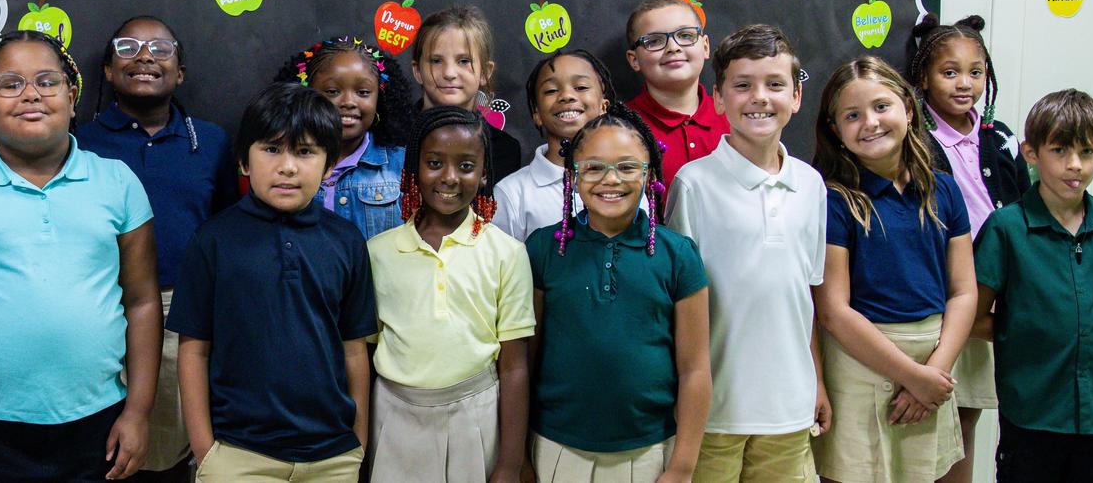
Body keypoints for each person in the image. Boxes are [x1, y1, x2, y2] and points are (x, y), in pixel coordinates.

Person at [0, 31, 160, 482]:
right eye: (10, 84)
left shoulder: (116, 183)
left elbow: (142, 302)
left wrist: (139, 412)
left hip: (99, 422)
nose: (30, 94)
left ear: (71, 95)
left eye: (47, 81)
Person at [169, 83, 377, 482]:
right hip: (239, 454)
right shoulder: (213, 240)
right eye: (271, 149)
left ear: (329, 164)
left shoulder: (346, 241)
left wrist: (358, 443)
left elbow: (354, 350)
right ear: (244, 162)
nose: (288, 167)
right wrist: (204, 449)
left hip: (332, 457)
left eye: (305, 152)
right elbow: (193, 351)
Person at [75, 14, 237, 481]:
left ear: (180, 72)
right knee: (99, 442)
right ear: (106, 70)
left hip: (180, 309)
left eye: (161, 49)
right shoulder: (79, 143)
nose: (144, 56)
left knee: (164, 449)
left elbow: (225, 224)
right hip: (99, 304)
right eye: (127, 47)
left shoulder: (208, 141)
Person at [667, 25, 829, 482]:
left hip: (789, 409)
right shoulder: (693, 184)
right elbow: (680, 306)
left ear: (796, 97)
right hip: (715, 413)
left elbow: (805, 299)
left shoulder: (811, 185)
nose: (760, 97)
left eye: (775, 85)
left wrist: (816, 379)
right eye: (743, 85)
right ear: (718, 98)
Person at [973, 89, 1093, 483]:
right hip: (1032, 415)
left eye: (1087, 152)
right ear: (1031, 153)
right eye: (1059, 151)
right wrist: (1020, 332)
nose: (1075, 166)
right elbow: (971, 318)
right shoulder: (1008, 228)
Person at [525, 105, 710, 482]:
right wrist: (519, 453)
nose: (611, 180)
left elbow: (695, 370)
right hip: (558, 447)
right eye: (593, 167)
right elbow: (524, 361)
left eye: (627, 167)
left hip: (649, 452)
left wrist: (682, 466)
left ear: (649, 174)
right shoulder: (544, 249)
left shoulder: (678, 255)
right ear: (572, 177)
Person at [810, 56, 973, 482]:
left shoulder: (945, 189)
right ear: (835, 130)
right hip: (863, 361)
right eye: (852, 115)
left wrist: (935, 372)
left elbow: (963, 291)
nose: (870, 122)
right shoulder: (834, 200)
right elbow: (833, 310)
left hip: (934, 359)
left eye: (881, 107)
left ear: (908, 107)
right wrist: (911, 376)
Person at [366, 106, 535, 482]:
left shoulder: (507, 252)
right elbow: (363, 353)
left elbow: (514, 365)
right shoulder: (378, 252)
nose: (449, 178)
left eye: (466, 166)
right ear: (414, 168)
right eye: (434, 163)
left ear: (484, 172)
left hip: (475, 415)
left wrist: (510, 462)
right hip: (393, 417)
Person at [903, 13, 1025, 483]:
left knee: (968, 413)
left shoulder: (1001, 139)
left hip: (992, 292)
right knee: (930, 414)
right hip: (943, 297)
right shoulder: (914, 140)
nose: (964, 84)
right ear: (923, 77)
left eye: (975, 72)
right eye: (949, 72)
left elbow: (1020, 209)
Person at [274, 35, 417, 238]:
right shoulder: (285, 166)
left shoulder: (402, 165)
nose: (349, 102)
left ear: (380, 99)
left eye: (363, 92)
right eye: (332, 91)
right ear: (306, 94)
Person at [493, 48, 617, 241]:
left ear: (604, 106)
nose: (567, 96)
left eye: (581, 87)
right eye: (551, 90)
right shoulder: (512, 193)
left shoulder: (626, 180)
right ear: (537, 114)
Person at [623, 0, 727, 190]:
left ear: (705, 46)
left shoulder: (735, 115)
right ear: (634, 59)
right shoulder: (619, 127)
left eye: (686, 36)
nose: (673, 47)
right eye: (654, 41)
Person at [412, 5, 525, 180]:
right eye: (436, 61)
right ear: (417, 70)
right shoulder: (391, 141)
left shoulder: (503, 150)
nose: (449, 73)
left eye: (464, 61)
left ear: (485, 72)